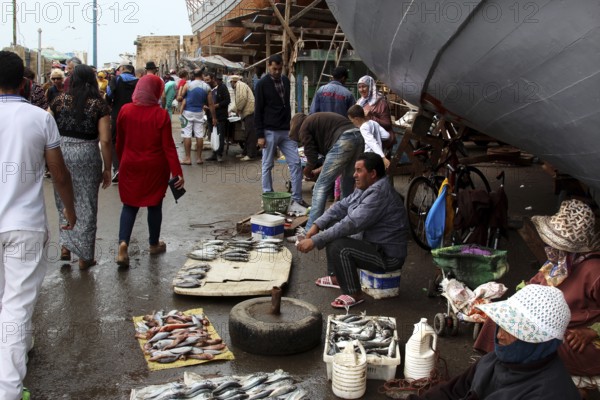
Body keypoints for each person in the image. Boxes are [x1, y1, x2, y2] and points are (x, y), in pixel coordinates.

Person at [0, 50, 76, 400]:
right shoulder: (41, 118)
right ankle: (9, 391)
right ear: (26, 82)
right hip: (26, 227)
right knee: (16, 306)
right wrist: (70, 212)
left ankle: (16, 359)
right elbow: (59, 174)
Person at [474, 198, 600, 397]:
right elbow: (532, 285)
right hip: (544, 325)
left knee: (537, 346)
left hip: (577, 339)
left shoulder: (594, 271)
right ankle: (496, 373)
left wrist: (592, 331)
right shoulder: (557, 264)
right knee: (495, 323)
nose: (549, 247)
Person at [408, 284, 580, 399]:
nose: (499, 336)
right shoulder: (494, 361)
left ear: (539, 342)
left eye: (512, 330)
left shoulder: (549, 393)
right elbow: (452, 391)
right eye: (501, 325)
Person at [296, 153, 408, 308]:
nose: (354, 175)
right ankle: (336, 277)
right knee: (332, 223)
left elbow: (351, 224)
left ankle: (354, 293)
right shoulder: (366, 186)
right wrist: (317, 225)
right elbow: (341, 206)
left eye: (359, 170)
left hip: (388, 256)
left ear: (373, 174)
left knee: (339, 246)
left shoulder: (379, 193)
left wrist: (315, 241)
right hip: (373, 245)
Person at [115, 74, 184, 267]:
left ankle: (123, 244)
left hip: (130, 164)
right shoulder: (161, 114)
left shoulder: (125, 111)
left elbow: (119, 141)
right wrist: (177, 172)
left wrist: (122, 162)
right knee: (154, 205)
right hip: (154, 167)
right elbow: (168, 147)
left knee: (129, 206)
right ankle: (153, 244)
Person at [49, 64, 112, 269]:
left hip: (61, 153)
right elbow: (105, 141)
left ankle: (66, 246)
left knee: (63, 200)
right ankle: (85, 257)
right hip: (87, 154)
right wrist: (107, 168)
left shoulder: (58, 100)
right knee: (87, 204)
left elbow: (46, 126)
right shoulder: (99, 105)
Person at [289, 112, 364, 234]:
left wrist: (307, 171)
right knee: (348, 183)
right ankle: (346, 226)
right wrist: (315, 170)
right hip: (358, 136)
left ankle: (308, 231)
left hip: (344, 139)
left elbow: (311, 157)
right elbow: (331, 158)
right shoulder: (316, 121)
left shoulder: (304, 127)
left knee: (320, 187)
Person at [255, 54, 308, 214]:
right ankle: (268, 196)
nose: (277, 71)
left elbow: (286, 105)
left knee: (296, 163)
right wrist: (260, 135)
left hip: (285, 131)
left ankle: (297, 198)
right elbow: (258, 110)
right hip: (269, 130)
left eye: (279, 69)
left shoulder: (285, 80)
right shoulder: (262, 84)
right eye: (274, 69)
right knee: (267, 165)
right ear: (268, 66)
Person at [106, 63, 139, 183]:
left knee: (114, 141)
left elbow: (109, 94)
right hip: (135, 115)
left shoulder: (116, 79)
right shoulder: (138, 81)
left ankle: (118, 168)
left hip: (117, 114)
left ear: (123, 70)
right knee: (133, 140)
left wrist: (109, 104)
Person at [179, 68, 212, 165]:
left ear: (193, 75)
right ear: (202, 75)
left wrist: (180, 96)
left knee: (187, 135)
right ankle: (198, 158)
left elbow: (180, 97)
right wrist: (214, 117)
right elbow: (210, 104)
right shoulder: (206, 87)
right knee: (199, 135)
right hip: (199, 113)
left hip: (187, 112)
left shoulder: (188, 85)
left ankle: (188, 158)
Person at [356, 75, 395, 150]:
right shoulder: (359, 102)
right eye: (359, 87)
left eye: (364, 86)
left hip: (381, 141)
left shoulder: (381, 103)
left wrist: (371, 117)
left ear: (370, 87)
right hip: (365, 140)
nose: (361, 90)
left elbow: (388, 125)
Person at [347, 104, 390, 169]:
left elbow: (372, 142)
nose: (352, 122)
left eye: (352, 120)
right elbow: (386, 135)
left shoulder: (363, 128)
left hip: (369, 157)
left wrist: (383, 158)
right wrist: (377, 137)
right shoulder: (373, 122)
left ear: (357, 119)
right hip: (378, 154)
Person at [230, 75, 258, 161]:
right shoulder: (239, 86)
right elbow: (239, 100)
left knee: (250, 135)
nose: (230, 84)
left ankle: (250, 154)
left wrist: (238, 109)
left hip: (249, 112)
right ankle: (245, 152)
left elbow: (242, 99)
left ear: (233, 81)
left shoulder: (239, 85)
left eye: (230, 82)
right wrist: (233, 110)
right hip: (247, 113)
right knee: (247, 134)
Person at [204, 72, 230, 162]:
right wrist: (205, 106)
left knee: (220, 135)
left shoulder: (222, 87)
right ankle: (214, 153)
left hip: (220, 116)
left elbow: (227, 100)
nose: (206, 82)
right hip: (210, 116)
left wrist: (216, 105)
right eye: (205, 80)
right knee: (212, 135)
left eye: (208, 80)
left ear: (213, 79)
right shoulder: (207, 89)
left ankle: (219, 154)